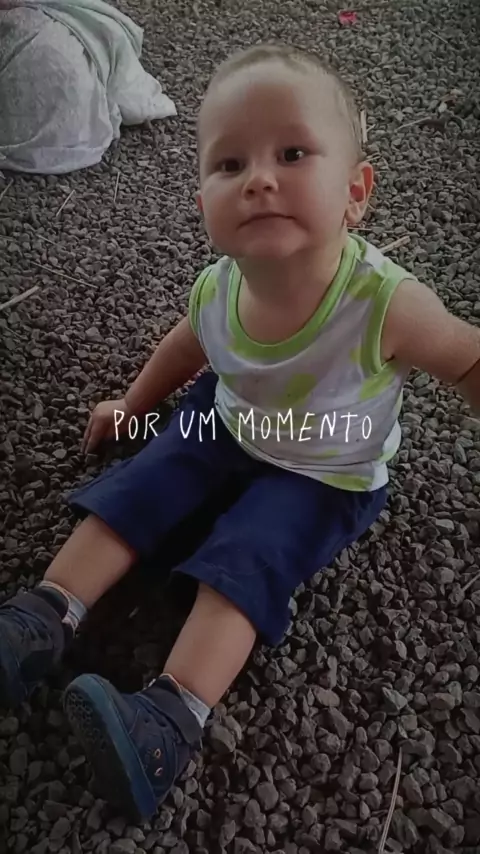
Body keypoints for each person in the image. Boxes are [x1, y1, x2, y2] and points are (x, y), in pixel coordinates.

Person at [1, 43, 479, 821]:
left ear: (356, 192)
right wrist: (130, 405)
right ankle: (39, 616)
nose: (258, 178)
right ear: (204, 204)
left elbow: (466, 357)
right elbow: (187, 347)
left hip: (325, 469)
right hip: (226, 419)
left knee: (250, 556)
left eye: (292, 154)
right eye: (230, 164)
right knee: (140, 484)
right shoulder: (218, 287)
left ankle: (168, 719)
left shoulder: (386, 303)